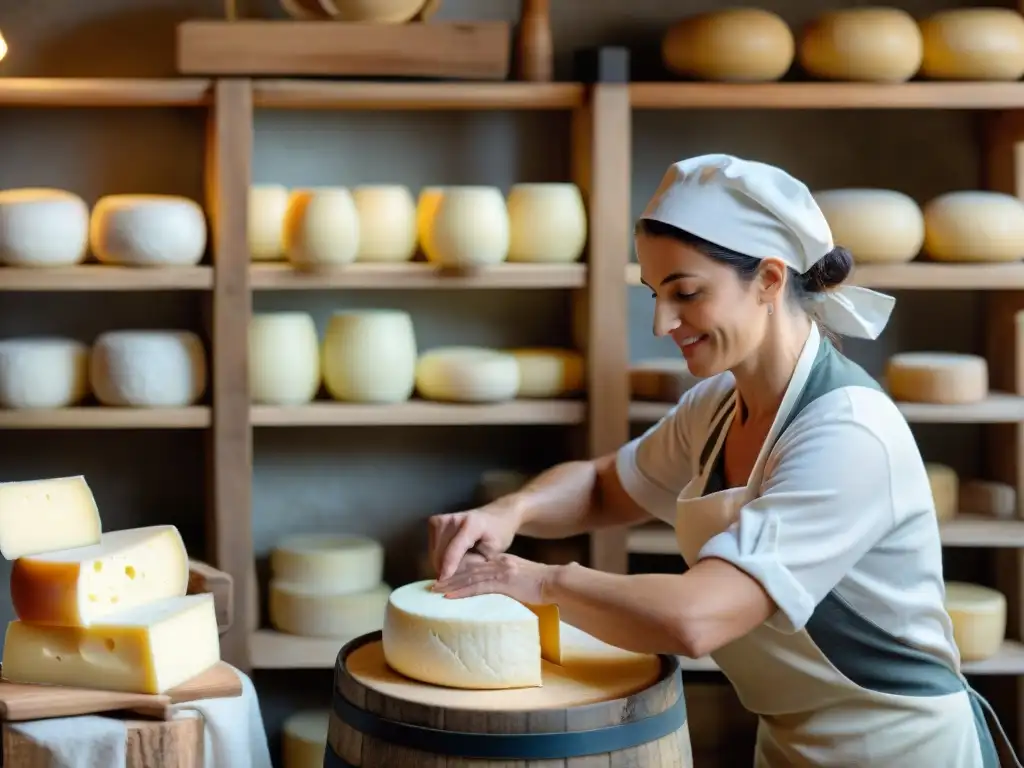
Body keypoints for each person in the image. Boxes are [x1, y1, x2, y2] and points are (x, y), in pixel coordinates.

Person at [427, 154, 1019, 767]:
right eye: (655, 295)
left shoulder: (848, 433)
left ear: (768, 279)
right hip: (791, 745)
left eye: (686, 293)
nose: (661, 323)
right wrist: (511, 510)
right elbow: (606, 486)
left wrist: (533, 581)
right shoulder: (715, 405)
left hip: (903, 751)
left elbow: (698, 618)